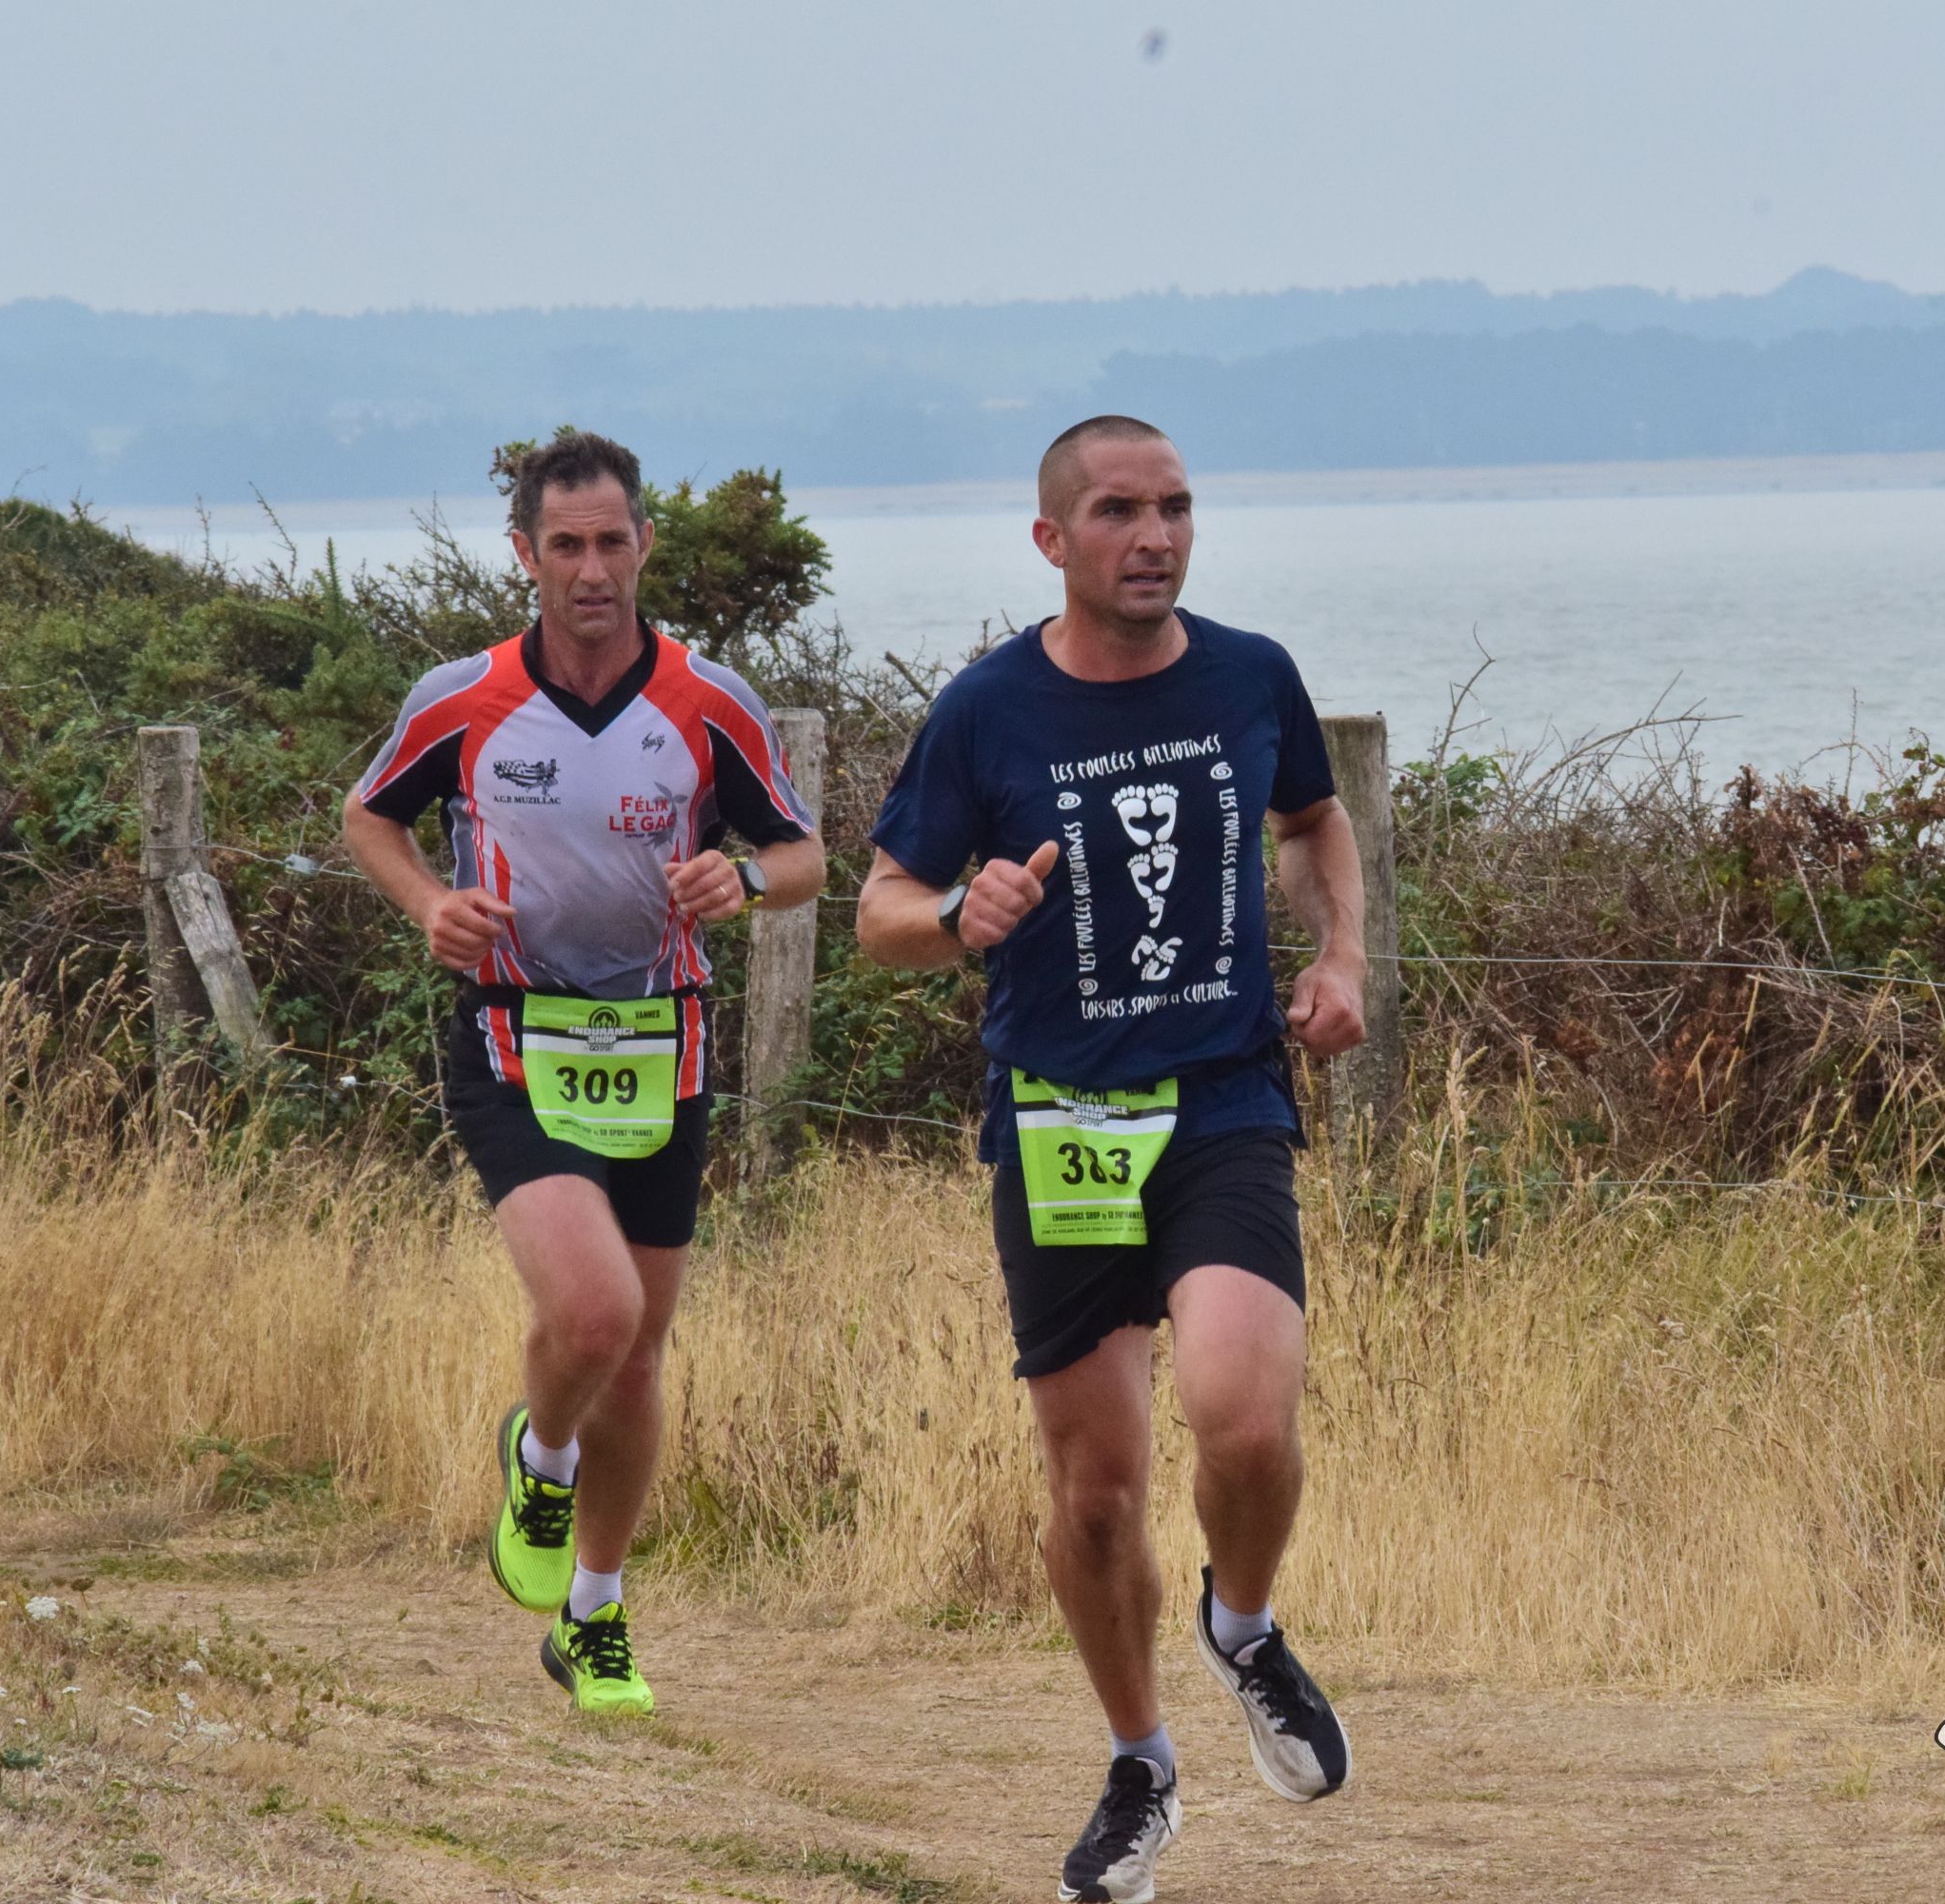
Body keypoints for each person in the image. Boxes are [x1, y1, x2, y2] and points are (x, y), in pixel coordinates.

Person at [857, 416, 1366, 1902]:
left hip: (1220, 1101)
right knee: (1095, 1495)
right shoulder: (987, 711)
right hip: (1061, 1123)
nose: (1155, 537)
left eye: (1177, 509)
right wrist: (955, 919)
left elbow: (1316, 822)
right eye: (1120, 512)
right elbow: (882, 908)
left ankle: (1244, 1628)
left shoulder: (1250, 675)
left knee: (1245, 1417)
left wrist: (1342, 955)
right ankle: (1141, 1763)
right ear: (1052, 539)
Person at [342, 431, 825, 1716]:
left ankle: (594, 1613)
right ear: (526, 554)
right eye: (567, 545)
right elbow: (369, 816)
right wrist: (429, 905)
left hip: (664, 1044)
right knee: (596, 1316)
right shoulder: (464, 697)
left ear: (646, 545)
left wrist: (744, 876)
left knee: (642, 1355)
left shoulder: (710, 700)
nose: (593, 569)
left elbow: (806, 857)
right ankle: (541, 1454)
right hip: (514, 1038)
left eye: (614, 542)